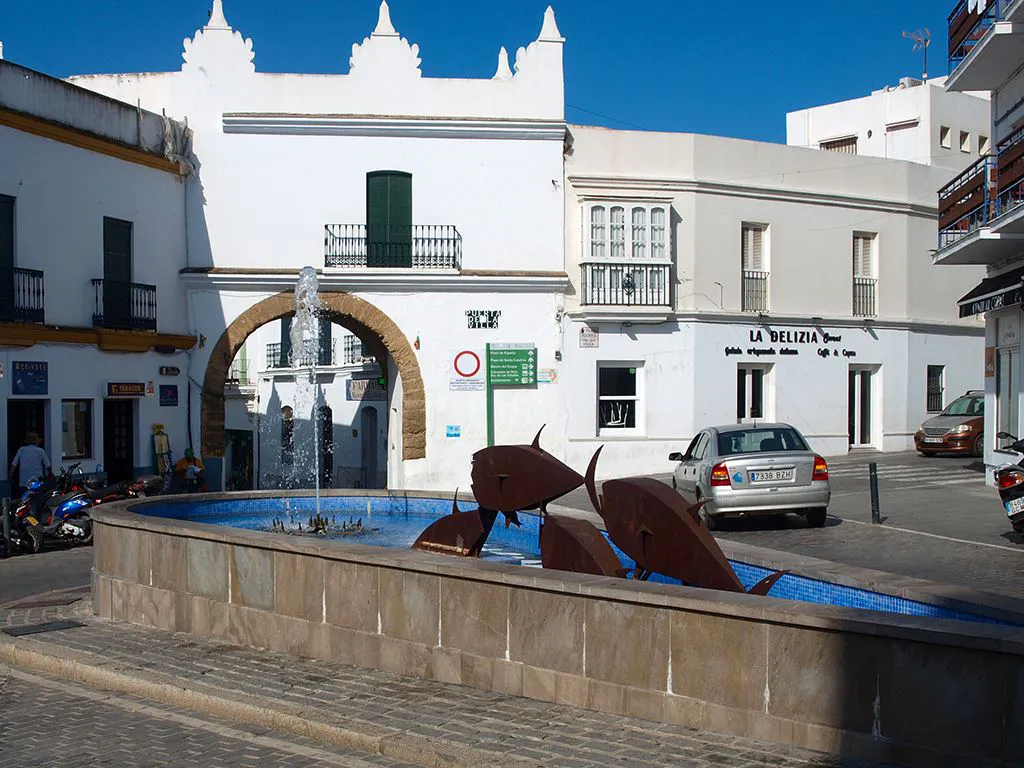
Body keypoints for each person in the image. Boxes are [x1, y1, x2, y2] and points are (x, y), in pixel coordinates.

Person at [9, 432, 52, 499]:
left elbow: (14, 465)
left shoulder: (21, 450)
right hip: (37, 482)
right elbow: (48, 466)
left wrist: (11, 475)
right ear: (36, 442)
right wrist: (50, 473)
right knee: (38, 501)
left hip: (24, 482)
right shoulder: (40, 451)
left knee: (24, 501)